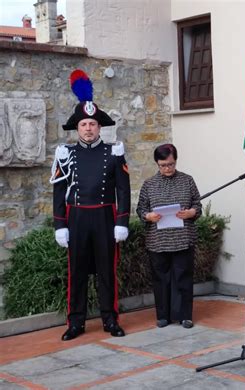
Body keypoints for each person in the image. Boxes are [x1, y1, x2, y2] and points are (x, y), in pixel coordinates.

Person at [50, 70, 131, 341]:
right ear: (78, 127)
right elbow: (59, 192)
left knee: (107, 271)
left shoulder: (113, 152)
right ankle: (76, 322)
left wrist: (121, 222)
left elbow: (123, 189)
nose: (88, 128)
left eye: (92, 124)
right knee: (77, 273)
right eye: (84, 124)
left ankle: (110, 319)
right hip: (77, 219)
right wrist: (60, 225)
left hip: (105, 218)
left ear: (99, 127)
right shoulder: (66, 154)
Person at [136, 143, 202, 329]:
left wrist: (191, 213)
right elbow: (141, 209)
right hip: (158, 241)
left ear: (176, 161)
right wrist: (148, 216)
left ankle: (185, 316)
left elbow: (198, 205)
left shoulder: (187, 180)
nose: (167, 168)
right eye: (163, 165)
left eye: (171, 164)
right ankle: (163, 315)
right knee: (160, 279)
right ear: (157, 164)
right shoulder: (149, 184)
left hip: (183, 238)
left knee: (183, 278)